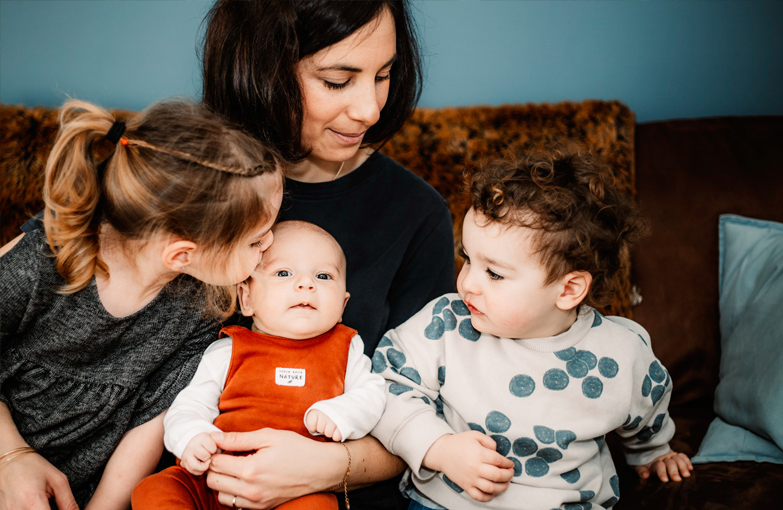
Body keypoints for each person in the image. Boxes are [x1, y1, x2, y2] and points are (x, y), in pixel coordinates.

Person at [198, 1, 457, 509]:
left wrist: (324, 467)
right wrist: (12, 454)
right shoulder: (180, 178)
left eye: (384, 75)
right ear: (260, 68)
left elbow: (436, 415)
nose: (370, 109)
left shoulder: (416, 213)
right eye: (338, 80)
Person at [370, 147, 694, 510]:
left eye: (494, 273)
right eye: (468, 259)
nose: (468, 284)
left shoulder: (622, 354)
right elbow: (387, 385)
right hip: (444, 505)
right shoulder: (445, 323)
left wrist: (653, 453)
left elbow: (647, 413)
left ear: (569, 290)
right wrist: (438, 447)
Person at [0, 99, 283, 510]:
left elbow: (149, 425)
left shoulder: (205, 307)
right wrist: (11, 456)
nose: (271, 245)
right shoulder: (44, 261)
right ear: (182, 254)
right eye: (257, 240)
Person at [131, 221, 386, 510]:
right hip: (215, 481)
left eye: (324, 275)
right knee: (154, 489)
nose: (306, 284)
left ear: (342, 305)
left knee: (319, 506)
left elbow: (373, 393)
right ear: (247, 298)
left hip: (295, 490)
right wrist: (192, 435)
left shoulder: (346, 347)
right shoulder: (227, 349)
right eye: (284, 273)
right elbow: (190, 405)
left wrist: (341, 413)